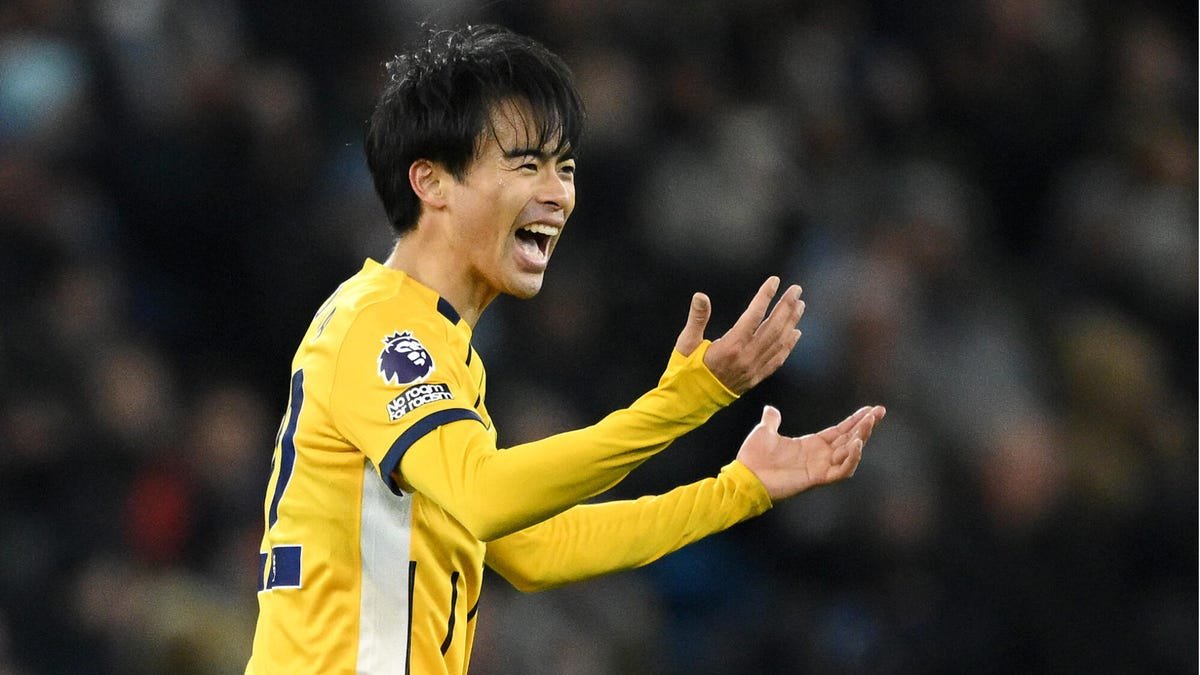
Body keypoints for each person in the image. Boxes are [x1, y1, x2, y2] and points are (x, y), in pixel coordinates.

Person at [246, 23, 885, 674]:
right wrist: (686, 402)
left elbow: (535, 550)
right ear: (432, 182)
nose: (558, 193)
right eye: (527, 164)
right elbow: (484, 495)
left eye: (566, 168)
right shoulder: (380, 327)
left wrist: (737, 490)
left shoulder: (442, 349)